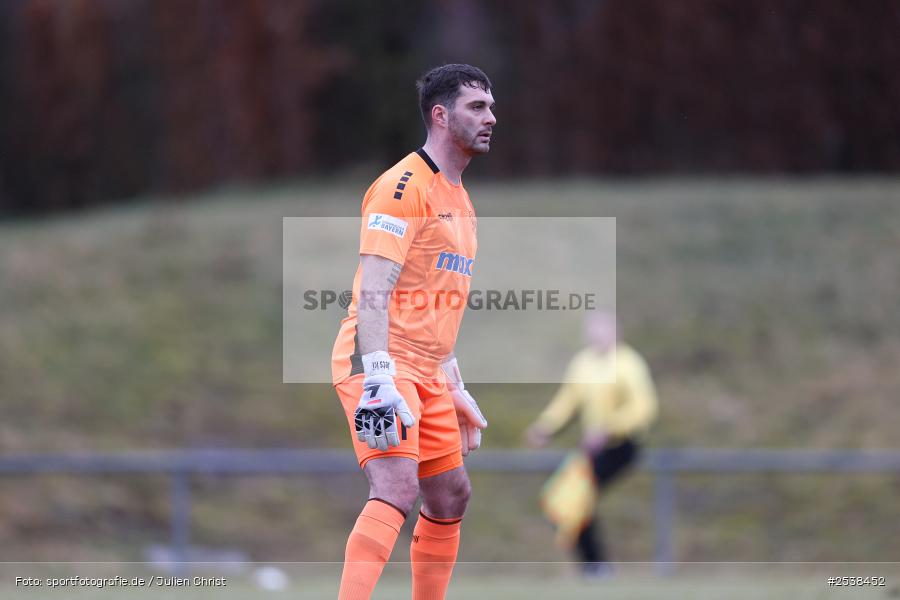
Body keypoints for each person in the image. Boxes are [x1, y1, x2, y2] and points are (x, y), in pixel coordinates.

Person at [330, 64, 495, 600]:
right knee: (396, 488)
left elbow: (432, 299)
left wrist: (450, 378)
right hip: (378, 358)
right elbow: (375, 288)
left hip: (425, 367)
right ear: (440, 115)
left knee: (450, 496)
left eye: (491, 107)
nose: (491, 117)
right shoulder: (402, 187)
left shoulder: (461, 200)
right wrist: (378, 376)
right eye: (477, 107)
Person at [525, 311, 658, 576]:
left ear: (616, 331)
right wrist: (545, 426)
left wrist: (609, 428)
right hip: (593, 448)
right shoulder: (583, 363)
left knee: (575, 497)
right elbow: (568, 400)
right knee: (567, 499)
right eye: (592, 330)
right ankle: (594, 566)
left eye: (602, 329)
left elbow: (644, 408)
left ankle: (596, 566)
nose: (596, 335)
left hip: (622, 446)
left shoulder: (629, 364)